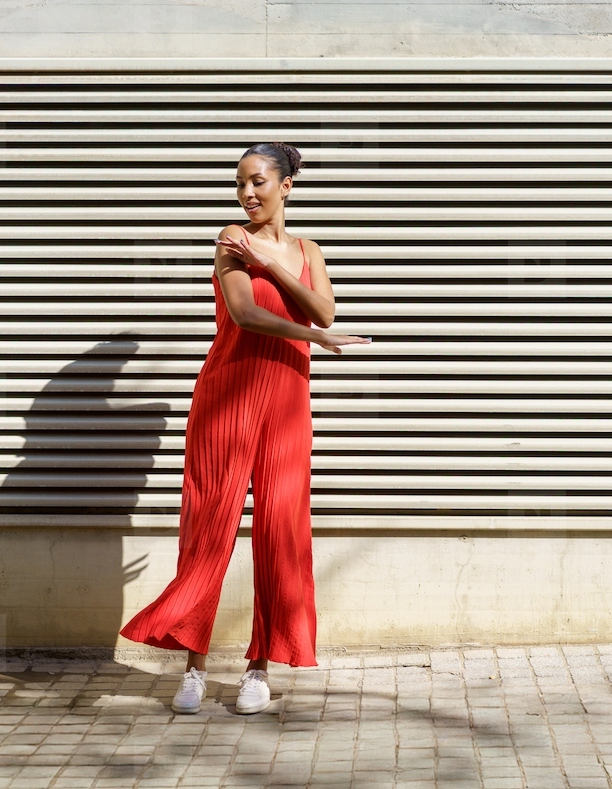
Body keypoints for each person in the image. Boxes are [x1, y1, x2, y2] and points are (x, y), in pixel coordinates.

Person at [119, 142, 370, 714]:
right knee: (209, 528)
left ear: (287, 185)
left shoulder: (307, 250)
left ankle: (259, 668)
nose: (246, 193)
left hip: (286, 401)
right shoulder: (231, 239)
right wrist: (312, 334)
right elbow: (245, 314)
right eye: (239, 183)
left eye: (257, 181)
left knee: (281, 532)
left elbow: (326, 311)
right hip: (227, 395)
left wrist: (273, 266)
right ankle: (194, 668)